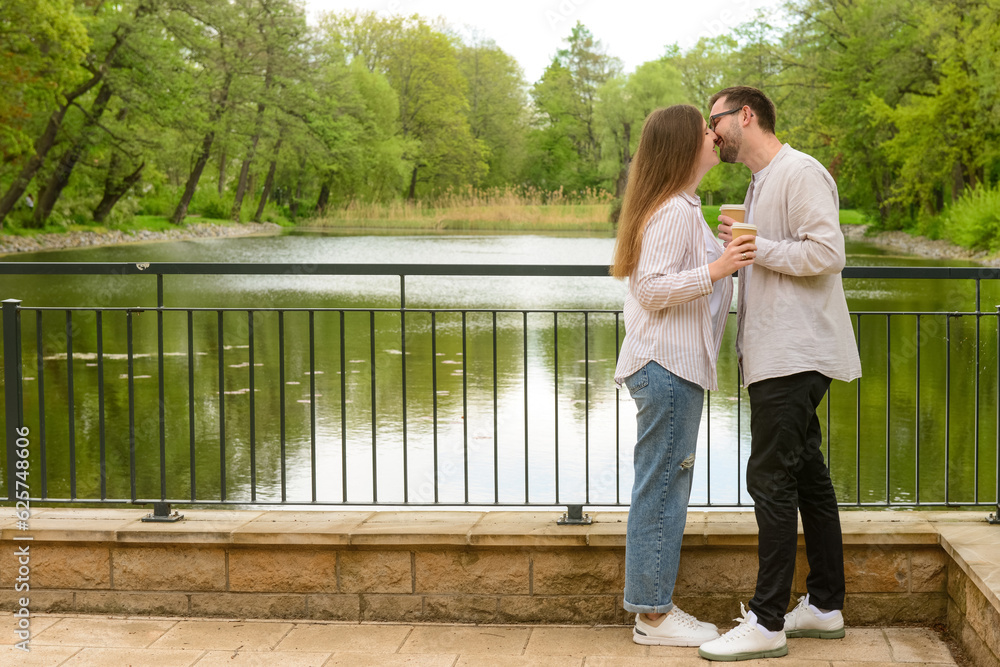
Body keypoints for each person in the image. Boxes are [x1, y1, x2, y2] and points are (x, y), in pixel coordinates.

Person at [697, 86, 862, 662]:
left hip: (797, 353)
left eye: (713, 119)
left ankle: (766, 621)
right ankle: (824, 606)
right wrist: (748, 248)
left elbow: (827, 254)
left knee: (768, 477)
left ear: (745, 116)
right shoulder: (760, 182)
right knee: (807, 475)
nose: (710, 130)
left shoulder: (800, 173)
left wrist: (756, 246)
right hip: (774, 354)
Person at [612, 104, 757, 647]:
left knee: (664, 485)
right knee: (663, 490)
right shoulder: (673, 210)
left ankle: (653, 610)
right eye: (704, 130)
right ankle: (653, 616)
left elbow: (687, 287)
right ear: (683, 145)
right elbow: (650, 289)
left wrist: (724, 255)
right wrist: (719, 267)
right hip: (666, 366)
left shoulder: (679, 208)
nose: (713, 135)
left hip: (671, 368)